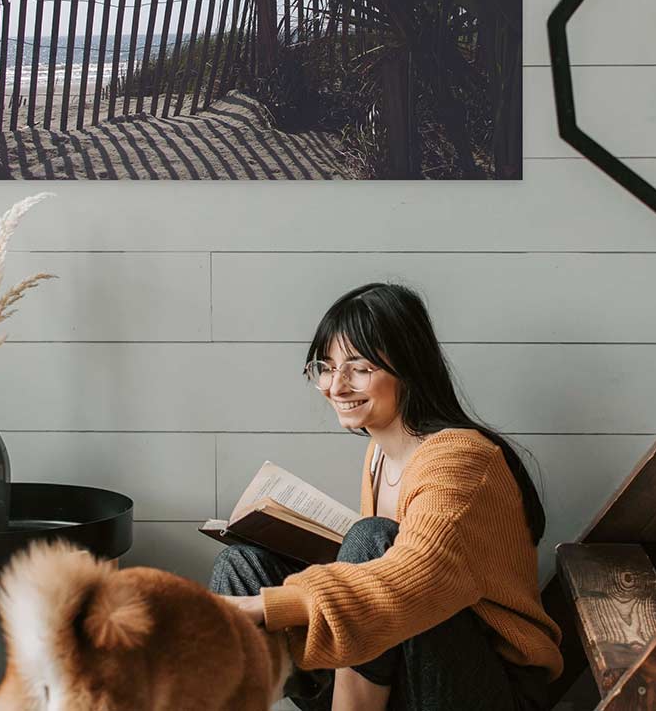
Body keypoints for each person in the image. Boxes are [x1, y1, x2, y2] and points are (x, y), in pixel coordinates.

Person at [210, 282, 563, 711]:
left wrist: (267, 605)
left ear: (409, 368)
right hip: (404, 669)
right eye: (325, 366)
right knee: (241, 565)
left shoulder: (461, 459)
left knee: (370, 540)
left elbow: (413, 578)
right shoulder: (379, 454)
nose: (335, 386)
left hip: (486, 689)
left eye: (358, 368)